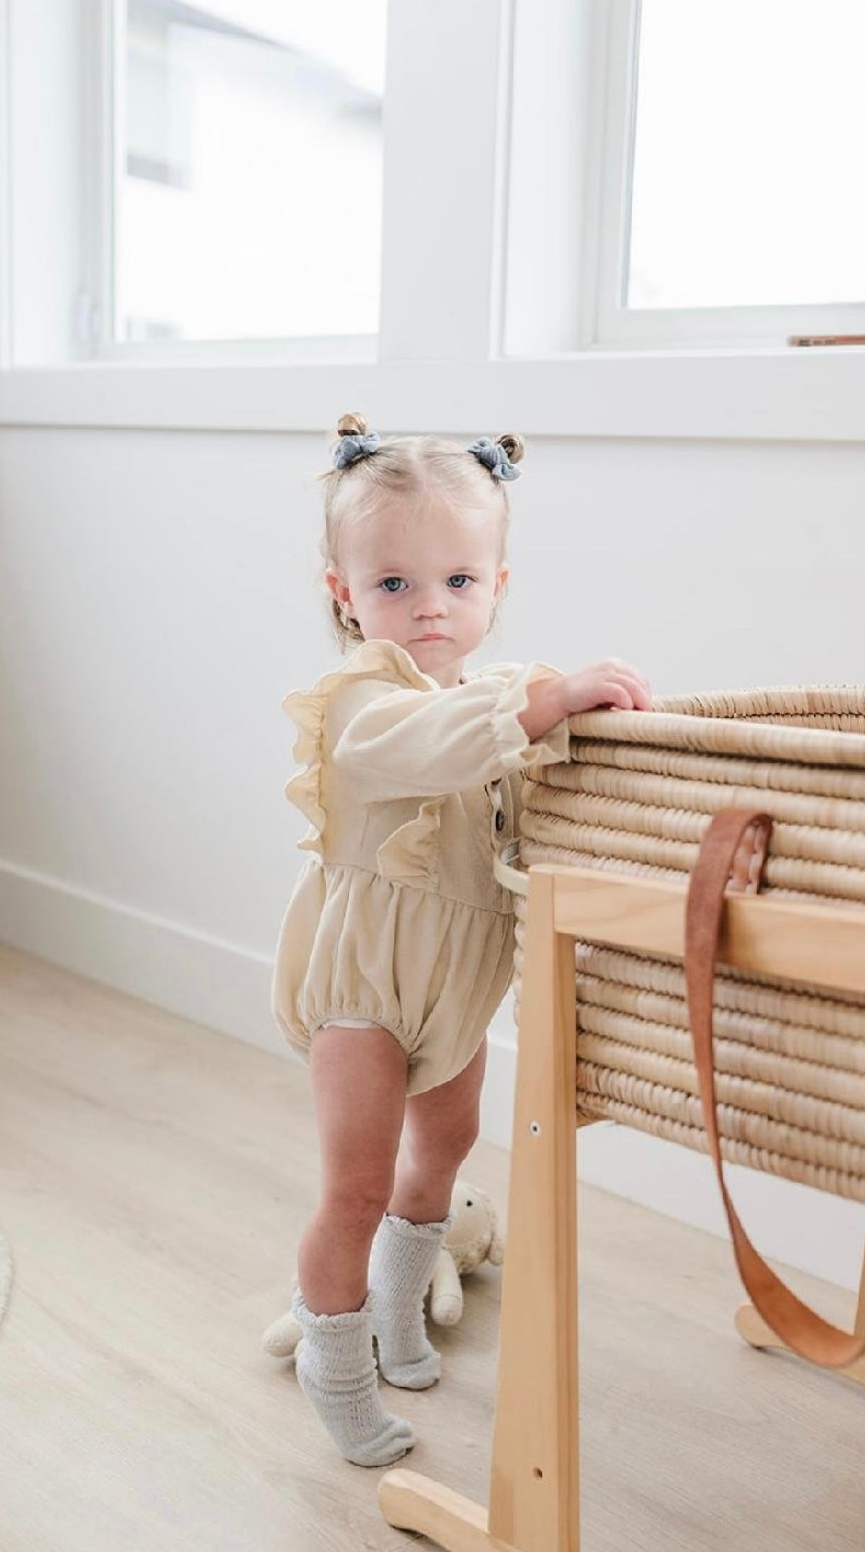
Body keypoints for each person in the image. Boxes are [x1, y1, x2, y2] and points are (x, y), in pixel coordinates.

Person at [272, 413, 652, 1466]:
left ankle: (396, 1309)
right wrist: (547, 700)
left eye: (456, 580)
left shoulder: (492, 696)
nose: (428, 606)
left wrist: (581, 724)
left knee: (441, 1150)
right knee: (353, 1183)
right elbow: (425, 746)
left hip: (457, 983)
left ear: (495, 585)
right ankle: (333, 1360)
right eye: (392, 584)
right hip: (366, 980)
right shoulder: (358, 703)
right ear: (344, 596)